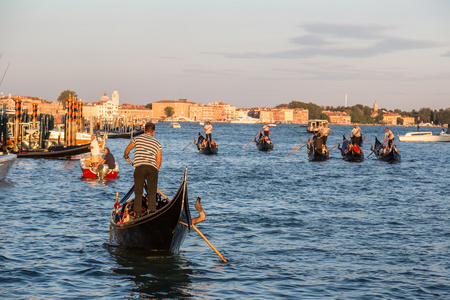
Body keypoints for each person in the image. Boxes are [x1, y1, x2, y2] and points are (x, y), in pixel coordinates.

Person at [124, 122, 162, 217]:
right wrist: (156, 170)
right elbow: (159, 161)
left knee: (138, 191)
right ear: (153, 132)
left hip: (140, 167)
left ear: (144, 130)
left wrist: (126, 156)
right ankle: (152, 213)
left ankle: (137, 214)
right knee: (152, 192)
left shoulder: (137, 138)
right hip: (152, 168)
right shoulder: (158, 143)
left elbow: (128, 148)